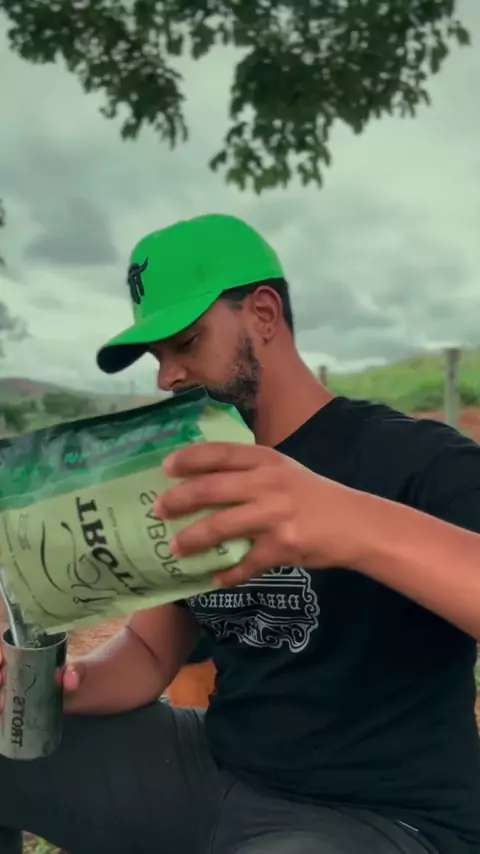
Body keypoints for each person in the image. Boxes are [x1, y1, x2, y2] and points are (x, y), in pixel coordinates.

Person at [0, 213, 479, 854]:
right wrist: (62, 687)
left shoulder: (418, 461)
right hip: (213, 774)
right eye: (158, 357)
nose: (167, 376)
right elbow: (148, 655)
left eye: (187, 343)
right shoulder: (195, 475)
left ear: (263, 314)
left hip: (381, 816)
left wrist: (350, 521)